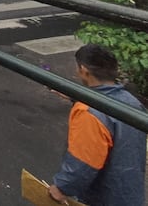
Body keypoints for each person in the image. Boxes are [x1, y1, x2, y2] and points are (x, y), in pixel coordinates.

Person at [48, 44, 146, 206]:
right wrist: (75, 96)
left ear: (84, 70)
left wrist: (61, 187)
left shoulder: (88, 113)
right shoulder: (132, 102)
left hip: (102, 197)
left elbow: (83, 162)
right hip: (130, 193)